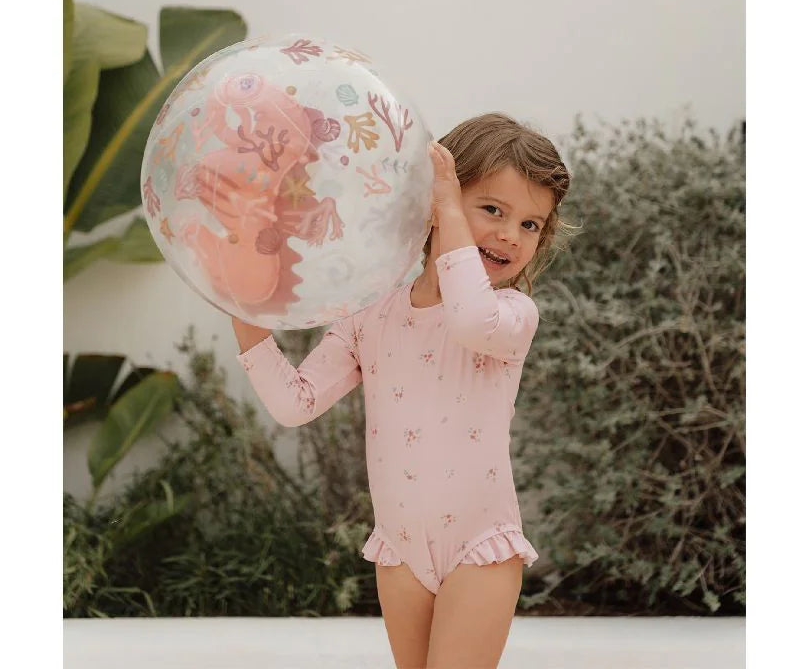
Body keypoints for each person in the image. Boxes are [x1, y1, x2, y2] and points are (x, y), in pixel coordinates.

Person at [232, 112, 571, 668]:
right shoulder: (372, 313)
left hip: (479, 547)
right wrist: (239, 304)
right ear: (433, 200)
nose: (512, 234)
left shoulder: (510, 315)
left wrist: (451, 210)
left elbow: (467, 318)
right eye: (493, 210)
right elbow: (295, 402)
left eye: (531, 224)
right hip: (401, 551)